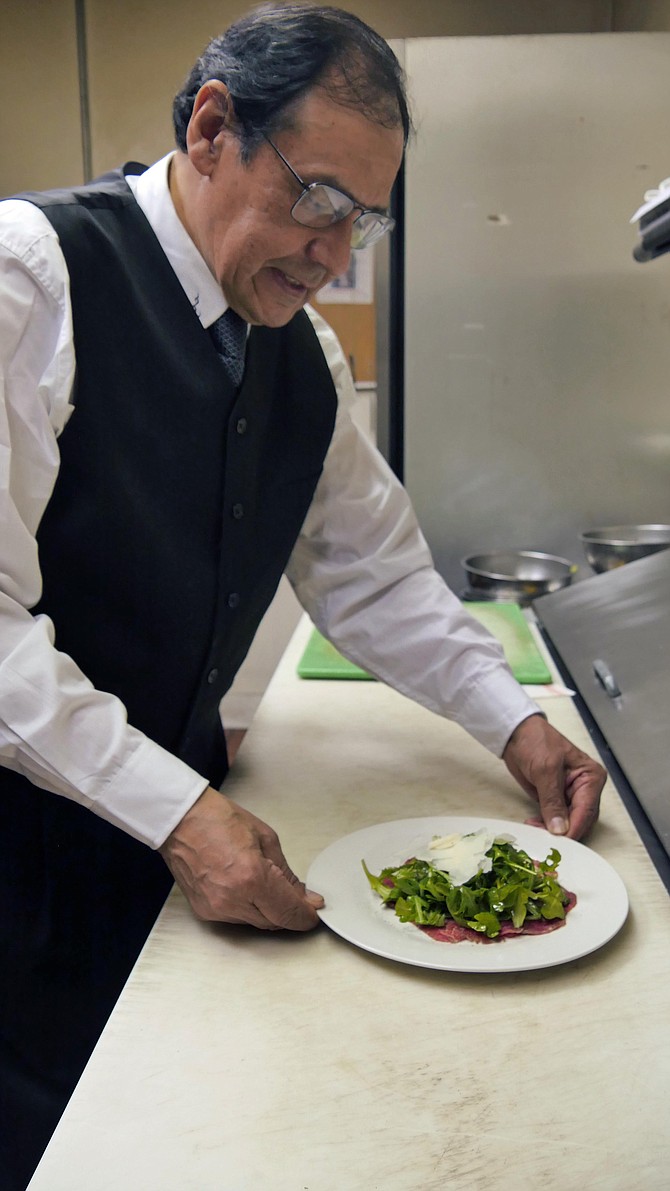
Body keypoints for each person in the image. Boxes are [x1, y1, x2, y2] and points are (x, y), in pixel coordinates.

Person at [0, 3, 605, 1185]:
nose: (335, 254)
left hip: (170, 828)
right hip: (22, 852)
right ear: (213, 126)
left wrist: (513, 719)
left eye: (364, 219)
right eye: (319, 198)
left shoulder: (298, 349)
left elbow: (372, 574)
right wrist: (175, 810)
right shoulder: (32, 277)